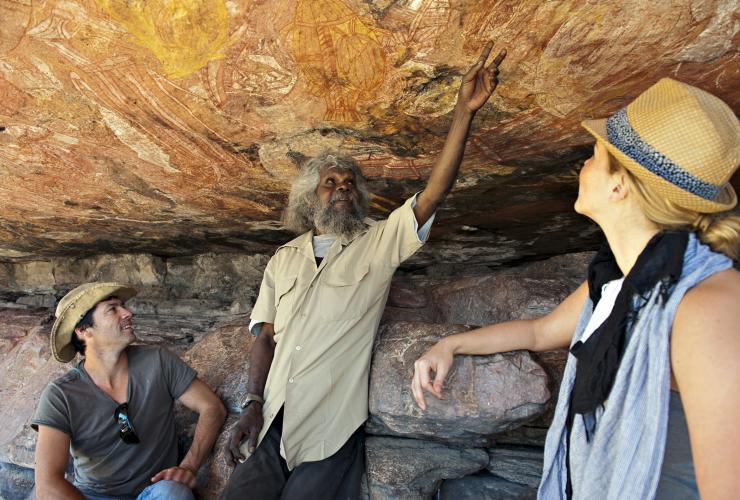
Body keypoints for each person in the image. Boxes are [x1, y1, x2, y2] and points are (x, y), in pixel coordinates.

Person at [411, 78, 740, 499]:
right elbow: (540, 331)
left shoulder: (706, 306)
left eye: (594, 156)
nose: (582, 166)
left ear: (619, 185)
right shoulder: (619, 279)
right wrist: (451, 345)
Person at [221, 43, 507, 499]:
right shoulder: (283, 258)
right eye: (330, 183)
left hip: (330, 429)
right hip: (270, 418)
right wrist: (251, 405)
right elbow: (265, 338)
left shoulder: (376, 244)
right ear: (308, 198)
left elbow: (433, 195)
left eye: (349, 184)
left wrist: (463, 113)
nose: (341, 189)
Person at [32, 282, 227, 500]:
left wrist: (189, 466)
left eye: (123, 306)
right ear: (83, 330)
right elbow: (48, 485)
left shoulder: (158, 361)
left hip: (153, 492)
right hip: (91, 497)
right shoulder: (61, 395)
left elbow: (212, 407)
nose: (128, 313)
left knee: (174, 493)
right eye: (112, 309)